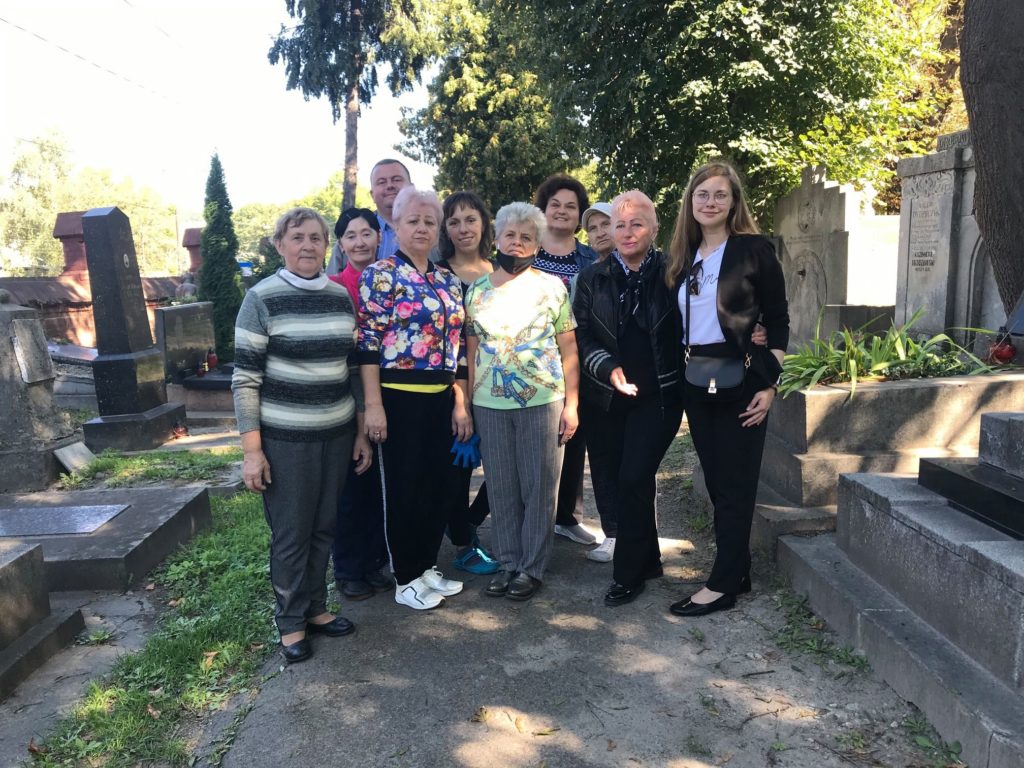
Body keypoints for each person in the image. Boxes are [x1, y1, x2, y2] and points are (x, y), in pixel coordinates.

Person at [232, 207, 372, 663]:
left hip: (337, 434)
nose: (308, 245)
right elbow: (245, 380)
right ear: (280, 245)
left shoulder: (339, 296)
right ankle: (290, 621)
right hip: (286, 441)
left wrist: (360, 433)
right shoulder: (261, 299)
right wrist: (253, 451)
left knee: (325, 526)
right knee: (292, 532)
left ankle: (315, 608)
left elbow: (351, 368)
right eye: (297, 237)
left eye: (316, 237)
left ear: (326, 246)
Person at [665, 161, 789, 617]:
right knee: (719, 482)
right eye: (702, 194)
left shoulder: (753, 249)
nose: (710, 202)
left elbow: (779, 319)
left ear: (734, 201)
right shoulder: (683, 257)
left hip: (744, 378)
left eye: (720, 194)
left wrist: (770, 384)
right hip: (696, 378)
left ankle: (721, 586)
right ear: (690, 202)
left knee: (736, 484)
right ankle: (738, 570)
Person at [357, 186, 471, 611]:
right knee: (403, 489)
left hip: (441, 398)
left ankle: (425, 566)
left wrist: (460, 402)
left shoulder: (447, 280)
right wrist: (373, 405)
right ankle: (405, 576)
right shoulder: (381, 275)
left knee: (436, 487)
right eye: (413, 221)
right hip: (398, 398)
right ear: (396, 225)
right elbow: (368, 344)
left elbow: (458, 346)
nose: (422, 228)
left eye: (429, 221)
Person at [465, 202, 580, 601]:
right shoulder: (476, 291)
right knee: (501, 488)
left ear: (537, 244)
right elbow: (470, 352)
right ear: (496, 238)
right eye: (510, 235)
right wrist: (466, 404)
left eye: (526, 237)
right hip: (489, 403)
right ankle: (507, 561)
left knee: (539, 487)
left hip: (543, 402)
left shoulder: (552, 288)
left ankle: (531, 567)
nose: (517, 242)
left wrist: (572, 405)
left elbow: (569, 349)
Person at [573, 191, 684, 601]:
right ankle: (649, 560)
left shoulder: (674, 272)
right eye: (619, 224)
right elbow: (580, 335)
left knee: (634, 476)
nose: (627, 231)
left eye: (637, 223)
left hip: (660, 396)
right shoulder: (592, 278)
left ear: (654, 228)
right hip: (605, 398)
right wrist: (607, 368)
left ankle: (627, 574)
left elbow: (705, 317)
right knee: (620, 479)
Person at [328, 208, 393, 600]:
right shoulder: (335, 288)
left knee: (381, 487)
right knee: (354, 480)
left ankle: (375, 561)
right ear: (341, 244)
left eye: (366, 233)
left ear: (378, 237)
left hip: (391, 392)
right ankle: (349, 568)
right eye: (350, 235)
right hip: (351, 394)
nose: (359, 242)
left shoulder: (392, 281)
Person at [533, 174, 599, 547]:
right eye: (555, 204)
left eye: (570, 206)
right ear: (543, 209)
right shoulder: (525, 251)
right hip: (530, 363)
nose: (562, 211)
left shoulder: (590, 257)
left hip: (577, 359)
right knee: (531, 445)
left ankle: (567, 518)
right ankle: (524, 519)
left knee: (574, 437)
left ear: (579, 215)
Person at [437, 191, 498, 575]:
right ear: (445, 229)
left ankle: (469, 522)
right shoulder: (437, 274)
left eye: (470, 219)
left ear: (484, 223)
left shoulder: (502, 271)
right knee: (457, 471)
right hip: (455, 388)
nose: (463, 228)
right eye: (454, 221)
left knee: (506, 468)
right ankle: (463, 544)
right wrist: (461, 398)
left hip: (501, 386)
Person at [326, 158, 412, 274]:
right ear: (372, 194)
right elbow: (331, 282)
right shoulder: (350, 235)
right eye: (381, 182)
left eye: (396, 180)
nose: (390, 186)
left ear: (412, 188)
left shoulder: (432, 231)